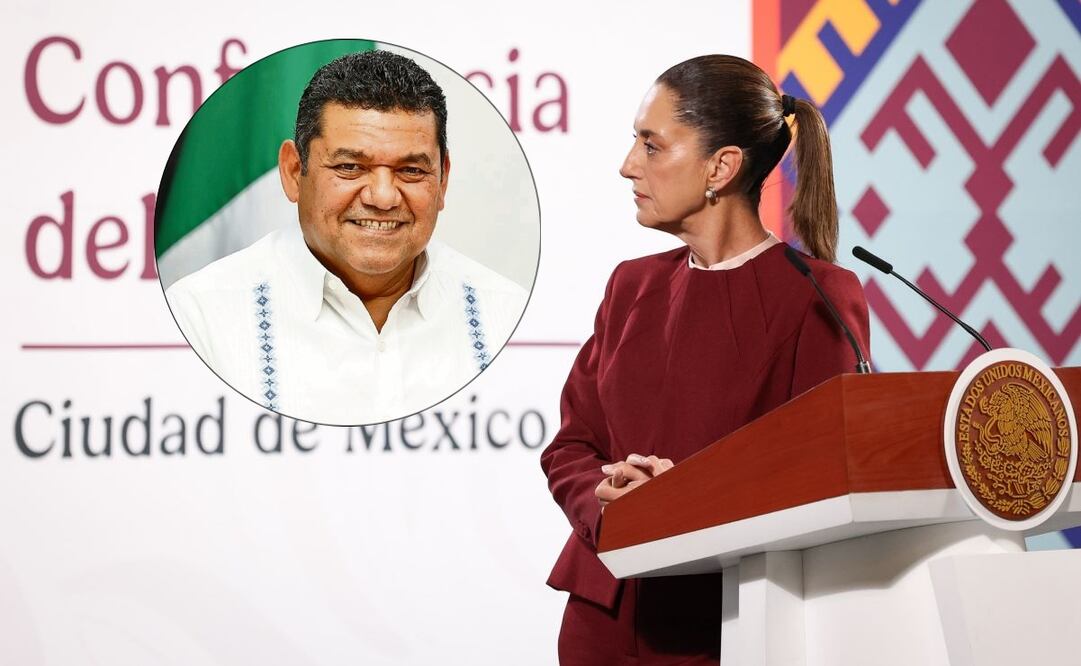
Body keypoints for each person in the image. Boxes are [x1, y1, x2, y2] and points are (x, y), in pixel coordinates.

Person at [540, 55, 871, 664]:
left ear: (721, 167)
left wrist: (688, 502)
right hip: (601, 617)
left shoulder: (817, 297)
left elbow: (821, 478)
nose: (627, 166)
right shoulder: (630, 286)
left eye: (651, 145)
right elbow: (570, 447)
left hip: (725, 625)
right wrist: (605, 496)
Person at [165, 51, 528, 425]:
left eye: (411, 170)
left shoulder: (506, 316)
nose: (383, 197)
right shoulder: (201, 319)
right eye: (350, 167)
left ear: (443, 179)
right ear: (293, 172)